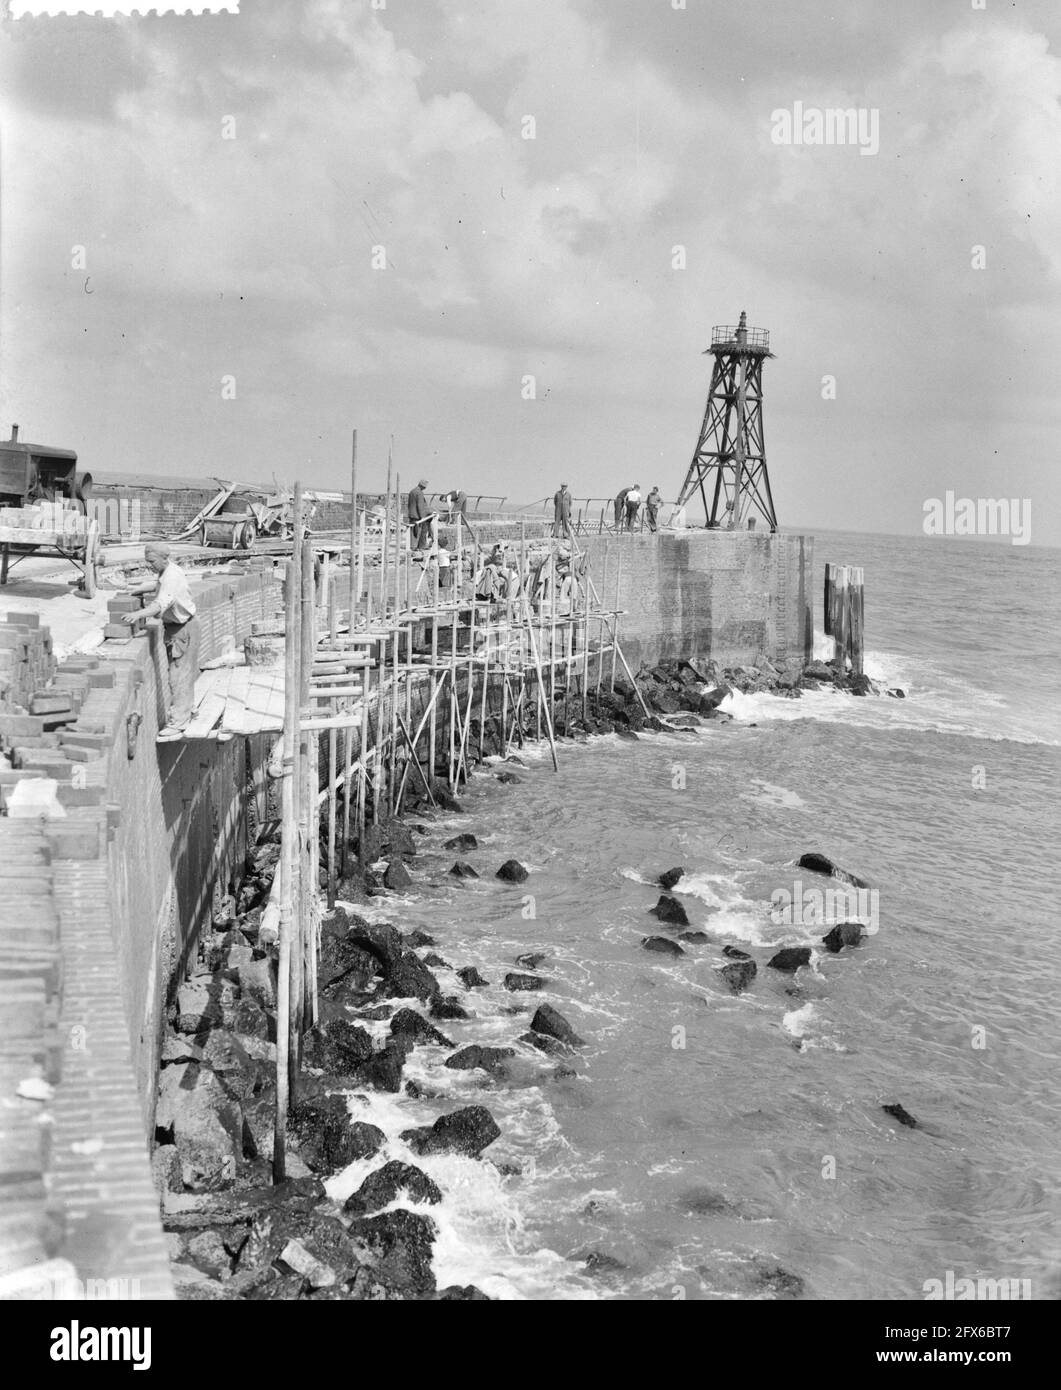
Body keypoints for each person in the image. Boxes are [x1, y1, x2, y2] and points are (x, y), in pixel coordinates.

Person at [122, 543, 199, 739]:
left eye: (152, 561)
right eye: (147, 561)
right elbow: (159, 586)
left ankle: (179, 722)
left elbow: (160, 604)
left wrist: (137, 613)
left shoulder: (171, 576)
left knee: (178, 676)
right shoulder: (169, 571)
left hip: (181, 630)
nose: (150, 565)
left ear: (164, 558)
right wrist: (139, 589)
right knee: (184, 672)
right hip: (183, 628)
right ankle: (189, 711)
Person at [407, 478, 432, 549]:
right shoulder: (419, 493)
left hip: (412, 514)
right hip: (418, 516)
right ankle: (420, 546)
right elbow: (420, 505)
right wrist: (422, 517)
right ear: (423, 486)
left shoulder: (412, 491)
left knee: (413, 532)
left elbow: (410, 504)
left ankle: (413, 546)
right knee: (420, 532)